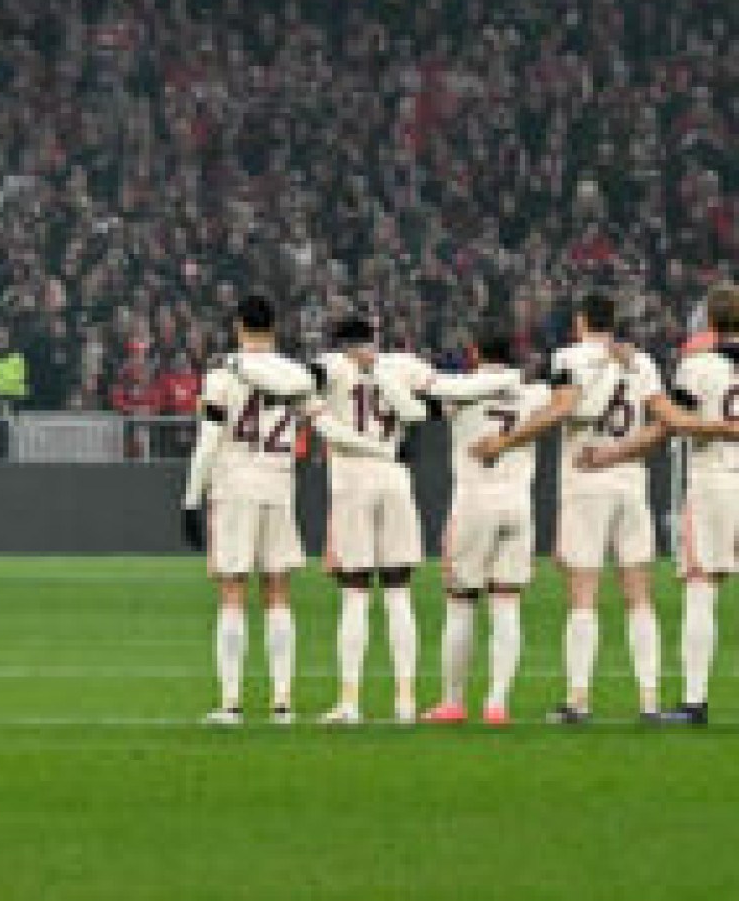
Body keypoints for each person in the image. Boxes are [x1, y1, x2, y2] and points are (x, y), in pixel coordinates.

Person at [472, 289, 707, 723]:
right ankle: (650, 700)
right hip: (632, 484)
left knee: (583, 596)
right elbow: (666, 420)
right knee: (639, 595)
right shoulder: (643, 361)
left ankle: (578, 700)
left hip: (586, 481)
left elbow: (560, 410)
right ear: (612, 323)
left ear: (581, 321)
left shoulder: (569, 358)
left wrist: (505, 441)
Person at [181, 291, 391, 725]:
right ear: (274, 328)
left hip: (234, 485)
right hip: (279, 485)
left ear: (238, 326)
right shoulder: (296, 375)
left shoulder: (222, 375)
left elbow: (206, 443)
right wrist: (374, 446)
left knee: (232, 592)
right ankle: (282, 702)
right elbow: (326, 425)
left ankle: (231, 703)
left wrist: (190, 500)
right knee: (278, 593)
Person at [310, 312, 519, 725]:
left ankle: (350, 701)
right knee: (398, 592)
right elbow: (453, 389)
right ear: (373, 337)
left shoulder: (329, 365)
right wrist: (507, 379)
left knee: (354, 594)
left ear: (338, 342)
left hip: (352, 478)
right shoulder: (402, 365)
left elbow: (310, 400)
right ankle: (405, 699)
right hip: (395, 482)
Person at [578, 282, 739, 725]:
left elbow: (667, 426)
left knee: (701, 587)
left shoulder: (699, 366)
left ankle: (694, 702)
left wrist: (612, 453)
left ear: (709, 322)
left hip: (716, 482)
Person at [423, 321, 549, 726]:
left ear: (476, 352)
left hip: (475, 502)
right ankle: (497, 704)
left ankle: (453, 702)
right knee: (506, 604)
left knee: (460, 604)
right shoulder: (533, 394)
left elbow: (422, 405)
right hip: (518, 503)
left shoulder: (460, 393)